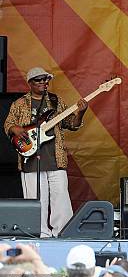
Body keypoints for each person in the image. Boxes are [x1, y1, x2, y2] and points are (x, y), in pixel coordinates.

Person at [4, 67, 88, 238]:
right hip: (31, 158)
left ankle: (63, 233)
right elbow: (8, 124)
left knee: (61, 199)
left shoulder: (56, 102)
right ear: (30, 83)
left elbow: (71, 124)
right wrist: (16, 128)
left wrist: (80, 113)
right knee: (35, 201)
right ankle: (39, 234)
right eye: (39, 80)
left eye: (45, 80)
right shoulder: (19, 104)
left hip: (55, 159)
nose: (43, 83)